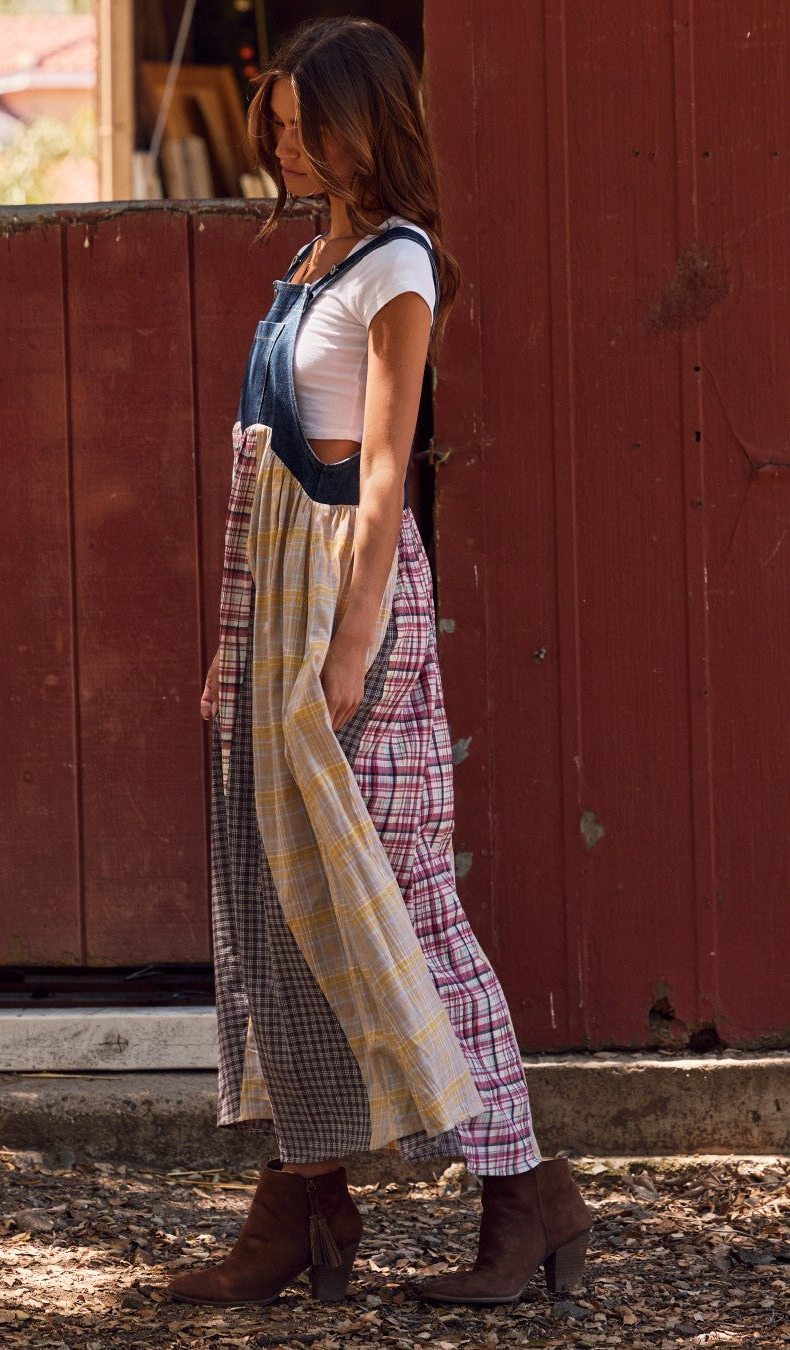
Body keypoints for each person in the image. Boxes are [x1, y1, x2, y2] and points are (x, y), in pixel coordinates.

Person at [164, 16, 591, 1309]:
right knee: (286, 908)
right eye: (279, 123)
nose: (284, 142)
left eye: (306, 123)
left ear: (367, 124)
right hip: (279, 603)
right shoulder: (311, 259)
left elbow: (388, 464)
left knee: (399, 899)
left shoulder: (398, 263)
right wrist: (234, 643)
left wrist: (354, 642)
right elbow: (261, 477)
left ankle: (526, 1192)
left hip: (352, 603)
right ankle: (306, 1203)